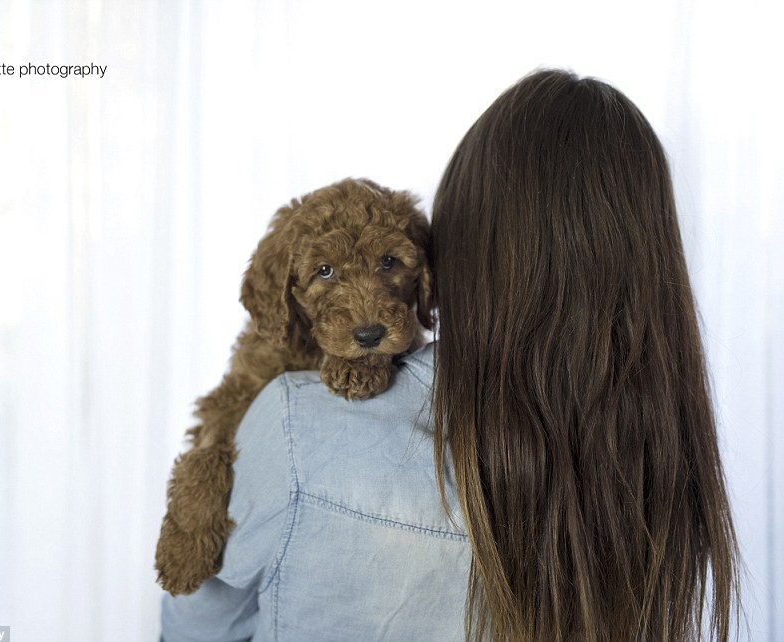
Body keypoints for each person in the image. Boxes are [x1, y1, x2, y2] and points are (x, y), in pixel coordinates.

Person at [161, 69, 740, 641]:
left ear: (452, 248)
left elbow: (196, 626)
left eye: (391, 264)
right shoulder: (663, 468)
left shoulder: (295, 424)